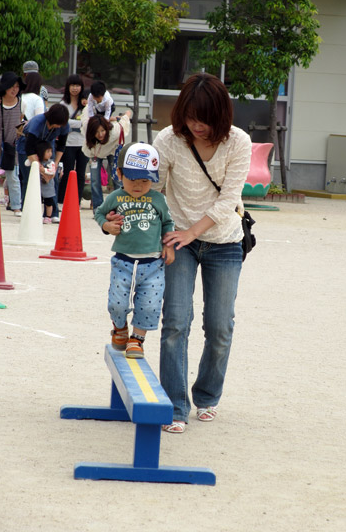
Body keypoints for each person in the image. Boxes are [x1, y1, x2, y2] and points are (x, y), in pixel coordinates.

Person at [154, 73, 251, 433]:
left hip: (224, 242)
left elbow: (229, 200)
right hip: (178, 240)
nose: (197, 125)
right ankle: (175, 407)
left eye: (205, 118)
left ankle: (207, 396)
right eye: (192, 116)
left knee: (220, 326)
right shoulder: (168, 139)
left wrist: (193, 231)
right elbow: (156, 188)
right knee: (176, 323)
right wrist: (165, 231)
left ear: (221, 115)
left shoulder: (239, 142)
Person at [95, 142, 175, 359]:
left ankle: (137, 340)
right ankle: (120, 328)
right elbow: (99, 213)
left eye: (145, 180)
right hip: (123, 261)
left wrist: (168, 245)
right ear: (119, 173)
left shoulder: (158, 199)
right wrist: (106, 225)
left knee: (149, 304)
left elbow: (168, 223)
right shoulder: (115, 197)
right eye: (132, 179)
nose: (138, 185)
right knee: (116, 302)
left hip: (153, 264)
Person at [23, 104, 70, 222]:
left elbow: (61, 146)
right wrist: (41, 169)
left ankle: (52, 213)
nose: (58, 126)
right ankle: (29, 212)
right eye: (56, 124)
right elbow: (29, 148)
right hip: (29, 147)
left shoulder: (63, 125)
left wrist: (53, 166)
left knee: (52, 180)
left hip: (48, 147)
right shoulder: (38, 122)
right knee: (30, 178)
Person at [81, 109, 132, 214]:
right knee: (95, 180)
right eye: (97, 132)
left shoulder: (115, 131)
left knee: (117, 179)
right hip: (95, 153)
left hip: (112, 150)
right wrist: (87, 105)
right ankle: (98, 209)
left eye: (102, 131)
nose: (100, 135)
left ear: (107, 129)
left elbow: (123, 122)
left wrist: (127, 114)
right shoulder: (87, 130)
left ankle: (120, 207)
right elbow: (86, 114)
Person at [0, 71, 25, 216]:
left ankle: (16, 206)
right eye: (12, 86)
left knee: (13, 177)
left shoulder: (22, 104)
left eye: (17, 86)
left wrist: (18, 138)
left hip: (11, 145)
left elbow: (21, 125)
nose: (14, 89)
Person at [58, 74, 88, 205]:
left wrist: (74, 123)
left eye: (77, 85)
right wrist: (80, 123)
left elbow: (89, 121)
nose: (75, 88)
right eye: (72, 85)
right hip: (68, 142)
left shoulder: (87, 104)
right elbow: (63, 122)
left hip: (83, 143)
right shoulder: (63, 104)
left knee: (81, 174)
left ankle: (77, 201)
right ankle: (61, 200)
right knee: (68, 171)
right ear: (68, 87)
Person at [18, 72, 45, 205]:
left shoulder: (19, 97)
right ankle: (30, 205)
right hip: (32, 139)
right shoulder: (37, 99)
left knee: (23, 176)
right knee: (32, 176)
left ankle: (21, 205)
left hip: (19, 137)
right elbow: (39, 120)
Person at [36, 141, 56, 224]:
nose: (50, 153)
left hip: (48, 187)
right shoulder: (37, 161)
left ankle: (48, 217)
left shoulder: (51, 162)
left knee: (49, 202)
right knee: (38, 201)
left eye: (51, 151)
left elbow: (52, 171)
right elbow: (27, 163)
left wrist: (43, 170)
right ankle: (38, 216)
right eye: (47, 151)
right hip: (39, 186)